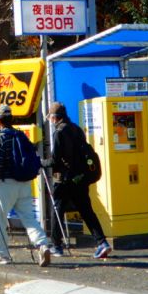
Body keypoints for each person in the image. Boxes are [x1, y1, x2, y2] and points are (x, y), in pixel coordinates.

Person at [0, 103, 51, 267]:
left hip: (6, 184)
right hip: (25, 183)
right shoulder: (20, 135)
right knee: (29, 218)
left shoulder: (0, 138)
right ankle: (42, 244)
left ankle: (2, 255)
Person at [47, 102, 111, 259]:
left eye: (50, 118)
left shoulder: (59, 133)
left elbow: (55, 161)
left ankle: (57, 246)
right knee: (87, 211)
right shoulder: (76, 129)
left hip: (64, 179)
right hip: (80, 178)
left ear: (55, 118)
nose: (50, 120)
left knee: (58, 210)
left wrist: (41, 162)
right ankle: (102, 242)